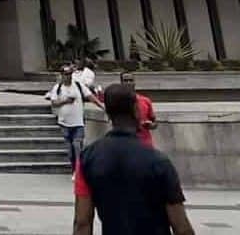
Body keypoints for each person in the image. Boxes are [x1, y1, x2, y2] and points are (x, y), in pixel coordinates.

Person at [74, 82, 196, 235]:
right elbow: (181, 226)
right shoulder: (158, 161)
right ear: (136, 110)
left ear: (108, 114)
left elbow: (82, 222)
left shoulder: (88, 158)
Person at [45, 63, 92, 173]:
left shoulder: (78, 85)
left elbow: (90, 96)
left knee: (77, 145)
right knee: (70, 151)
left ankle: (79, 170)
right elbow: (54, 103)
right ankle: (74, 169)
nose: (68, 76)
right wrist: (65, 101)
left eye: (70, 73)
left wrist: (100, 104)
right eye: (66, 74)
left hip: (78, 123)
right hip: (64, 123)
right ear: (62, 75)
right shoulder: (58, 88)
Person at [117, 70, 158, 148]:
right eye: (125, 81)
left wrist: (151, 125)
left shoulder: (145, 100)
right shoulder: (117, 102)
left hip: (145, 143)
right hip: (126, 144)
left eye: (131, 80)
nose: (128, 83)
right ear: (121, 83)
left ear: (134, 82)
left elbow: (154, 122)